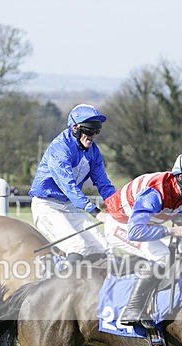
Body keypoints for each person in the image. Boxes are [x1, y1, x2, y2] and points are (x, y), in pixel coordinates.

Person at [102, 148, 182, 326]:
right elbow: (135, 232)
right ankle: (133, 309)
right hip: (121, 225)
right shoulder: (154, 193)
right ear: (181, 177)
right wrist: (170, 232)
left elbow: (179, 213)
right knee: (162, 256)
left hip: (145, 224)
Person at [29, 104, 116, 264]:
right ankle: (50, 280)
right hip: (47, 206)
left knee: (106, 249)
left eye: (96, 132)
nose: (92, 136)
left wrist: (119, 206)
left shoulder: (94, 152)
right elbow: (68, 186)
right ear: (75, 128)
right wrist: (96, 211)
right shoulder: (60, 148)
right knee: (78, 248)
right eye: (89, 131)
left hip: (69, 206)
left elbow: (104, 184)